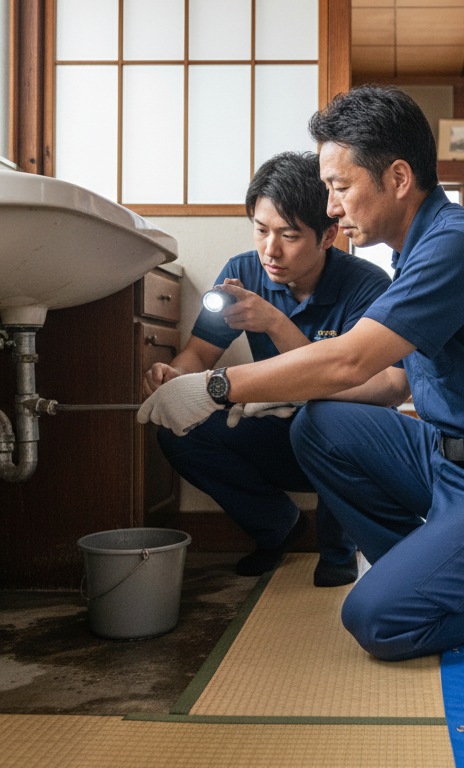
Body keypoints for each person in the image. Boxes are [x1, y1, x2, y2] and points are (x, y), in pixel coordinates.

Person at [138, 86, 464, 660]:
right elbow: (384, 384)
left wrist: (218, 386)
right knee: (320, 425)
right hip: (446, 456)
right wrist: (241, 388)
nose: (332, 206)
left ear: (399, 178)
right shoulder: (412, 254)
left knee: (376, 620)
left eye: (339, 187)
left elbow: (350, 360)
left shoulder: (458, 244)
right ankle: (450, 567)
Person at [143, 151, 391, 587]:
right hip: (272, 430)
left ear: (328, 235)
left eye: (289, 235)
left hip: (339, 434)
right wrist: (172, 376)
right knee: (178, 431)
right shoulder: (243, 271)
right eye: (261, 231)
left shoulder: (367, 287)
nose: (270, 251)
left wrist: (274, 323)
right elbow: (199, 356)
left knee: (337, 418)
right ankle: (277, 526)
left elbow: (367, 383)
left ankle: (338, 550)